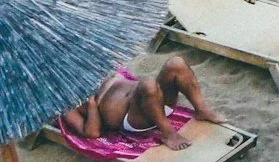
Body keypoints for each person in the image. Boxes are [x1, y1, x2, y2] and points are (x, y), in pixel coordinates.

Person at [59, 57, 224, 151]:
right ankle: (168, 133)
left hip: (154, 102)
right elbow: (92, 133)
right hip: (134, 117)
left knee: (176, 63)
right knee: (149, 84)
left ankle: (201, 109)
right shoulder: (66, 102)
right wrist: (92, 104)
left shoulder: (94, 69)